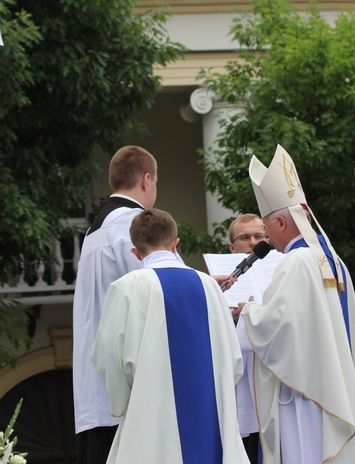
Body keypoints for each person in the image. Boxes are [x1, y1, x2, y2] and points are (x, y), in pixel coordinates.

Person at [239, 144, 355, 463]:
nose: (267, 237)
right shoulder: (334, 260)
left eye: (266, 226)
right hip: (334, 386)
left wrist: (246, 312)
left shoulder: (297, 261)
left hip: (307, 395)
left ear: (281, 223)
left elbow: (275, 328)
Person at [91, 209, 249, 464]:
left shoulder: (125, 288)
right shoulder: (209, 285)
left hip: (150, 416)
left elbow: (107, 357)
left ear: (135, 251)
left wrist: (125, 400)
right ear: (176, 244)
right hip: (211, 419)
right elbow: (232, 360)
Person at [72, 145, 158, 464]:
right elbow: (155, 287)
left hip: (99, 384)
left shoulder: (98, 228)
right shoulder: (132, 222)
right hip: (125, 386)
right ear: (147, 180)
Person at [228, 214, 268, 464]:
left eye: (259, 236)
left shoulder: (284, 271)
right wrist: (232, 319)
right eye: (245, 237)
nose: (253, 242)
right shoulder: (219, 283)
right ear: (232, 247)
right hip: (242, 384)